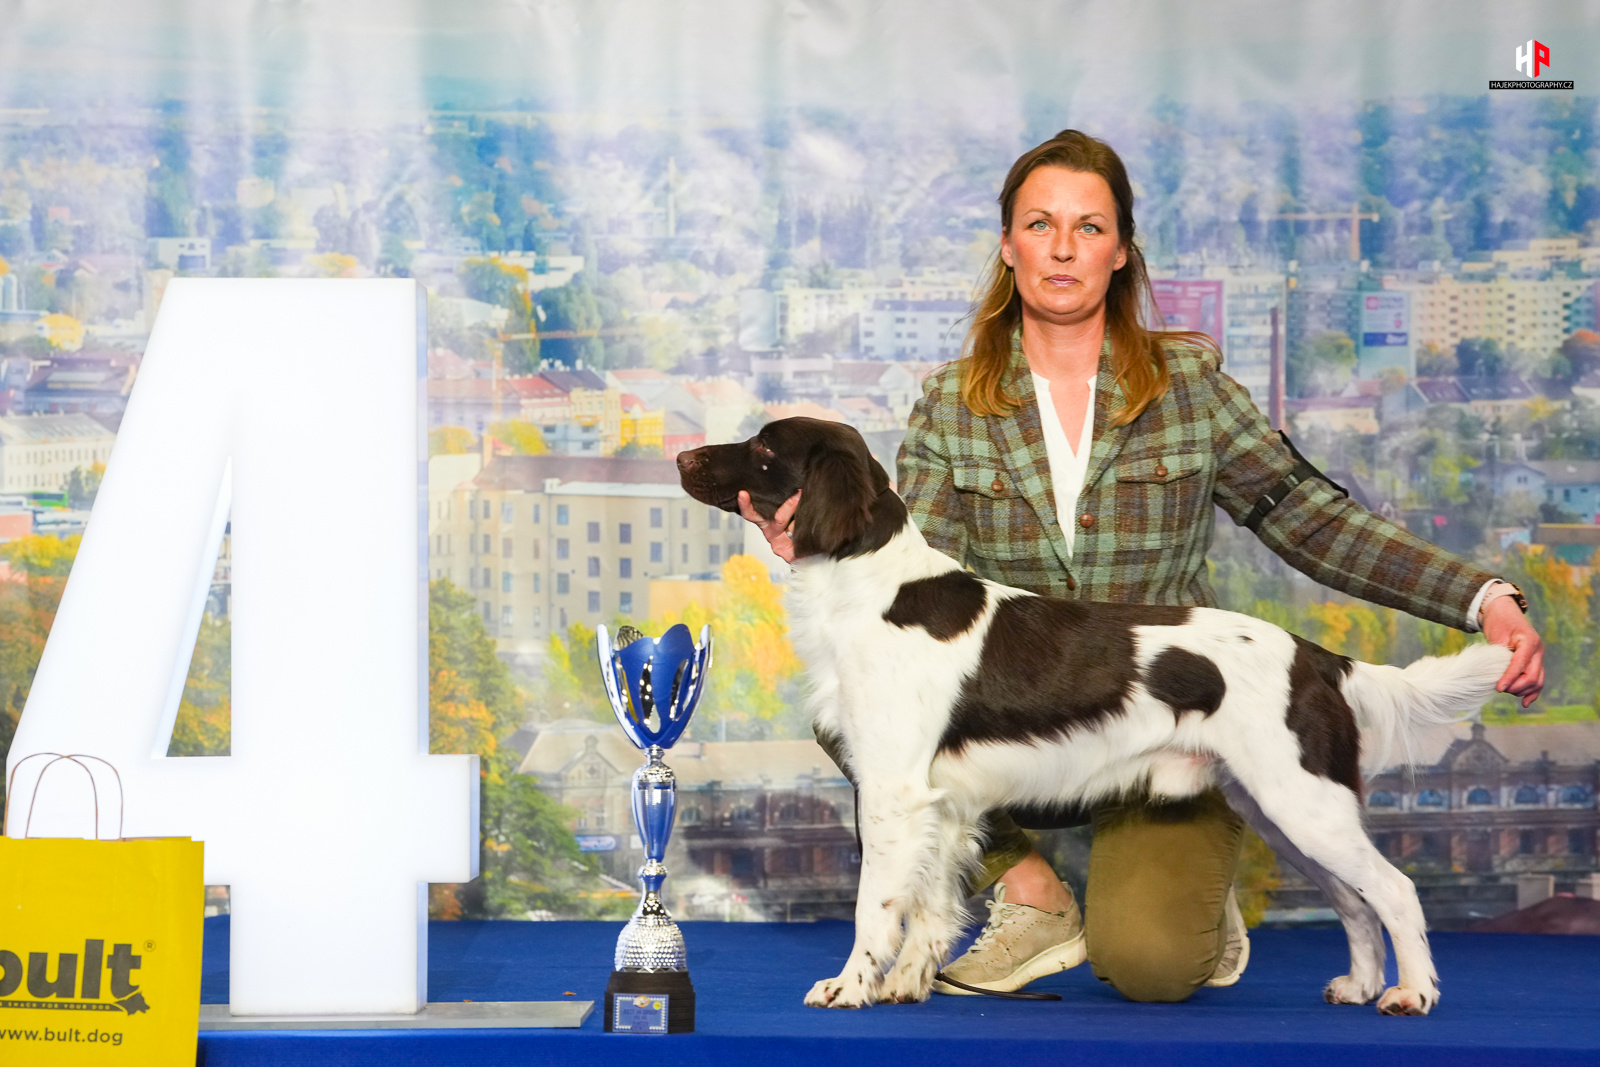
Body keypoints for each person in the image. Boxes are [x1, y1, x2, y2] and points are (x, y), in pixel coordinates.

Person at [741, 129, 1545, 1004]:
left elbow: (1313, 520)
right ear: (1008, 246)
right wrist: (821, 540)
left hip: (1167, 715)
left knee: (1152, 963)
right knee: (854, 708)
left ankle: (1197, 898)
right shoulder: (952, 400)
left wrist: (1482, 599)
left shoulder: (1188, 385)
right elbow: (921, 579)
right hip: (1019, 730)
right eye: (1040, 224)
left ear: (1121, 250)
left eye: (1088, 227)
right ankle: (1028, 894)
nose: (1062, 247)